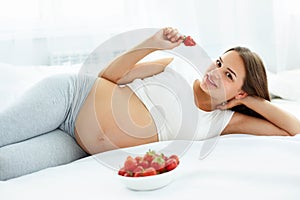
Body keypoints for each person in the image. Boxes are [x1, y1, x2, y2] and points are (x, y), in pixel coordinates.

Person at [0, 27, 299, 180]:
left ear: (242, 93)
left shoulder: (223, 122)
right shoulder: (175, 65)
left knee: (5, 167)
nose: (215, 73)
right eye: (219, 62)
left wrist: (252, 100)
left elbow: (292, 129)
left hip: (77, 146)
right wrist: (152, 44)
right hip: (69, 98)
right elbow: (108, 76)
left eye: (229, 74)